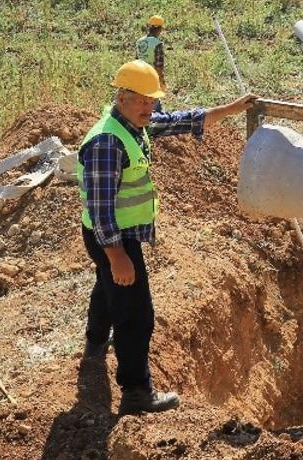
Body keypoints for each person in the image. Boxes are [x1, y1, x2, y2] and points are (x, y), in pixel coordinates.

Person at [78, 59, 256, 415]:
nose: (150, 107)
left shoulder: (132, 126)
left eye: (152, 100)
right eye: (142, 99)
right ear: (122, 96)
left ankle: (95, 344)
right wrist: (117, 255)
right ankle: (136, 393)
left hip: (111, 235)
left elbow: (182, 121)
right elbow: (101, 208)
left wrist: (233, 108)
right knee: (135, 314)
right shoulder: (107, 143)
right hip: (112, 236)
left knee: (107, 287)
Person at [135, 16, 166, 90]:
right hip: (151, 77)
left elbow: (136, 60)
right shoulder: (157, 43)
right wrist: (162, 82)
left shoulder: (139, 41)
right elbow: (159, 67)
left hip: (138, 76)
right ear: (160, 29)